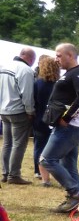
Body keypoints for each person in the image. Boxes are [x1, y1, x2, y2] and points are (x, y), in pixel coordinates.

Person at [40, 43, 79, 213]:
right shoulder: (69, 74)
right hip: (69, 126)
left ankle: (76, 192)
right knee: (68, 163)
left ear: (70, 55)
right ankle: (73, 204)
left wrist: (67, 118)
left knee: (47, 160)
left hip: (71, 127)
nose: (56, 59)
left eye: (59, 55)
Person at [0, 46, 36, 184]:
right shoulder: (26, 70)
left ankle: (5, 173)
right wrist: (30, 111)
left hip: (3, 110)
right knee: (18, 144)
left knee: (7, 143)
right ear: (30, 58)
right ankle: (14, 175)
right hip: (18, 111)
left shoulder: (3, 67)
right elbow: (27, 94)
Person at [33, 54, 59, 186]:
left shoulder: (37, 83)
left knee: (39, 146)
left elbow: (34, 101)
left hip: (39, 118)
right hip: (54, 119)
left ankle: (38, 171)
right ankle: (54, 171)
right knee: (54, 147)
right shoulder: (58, 84)